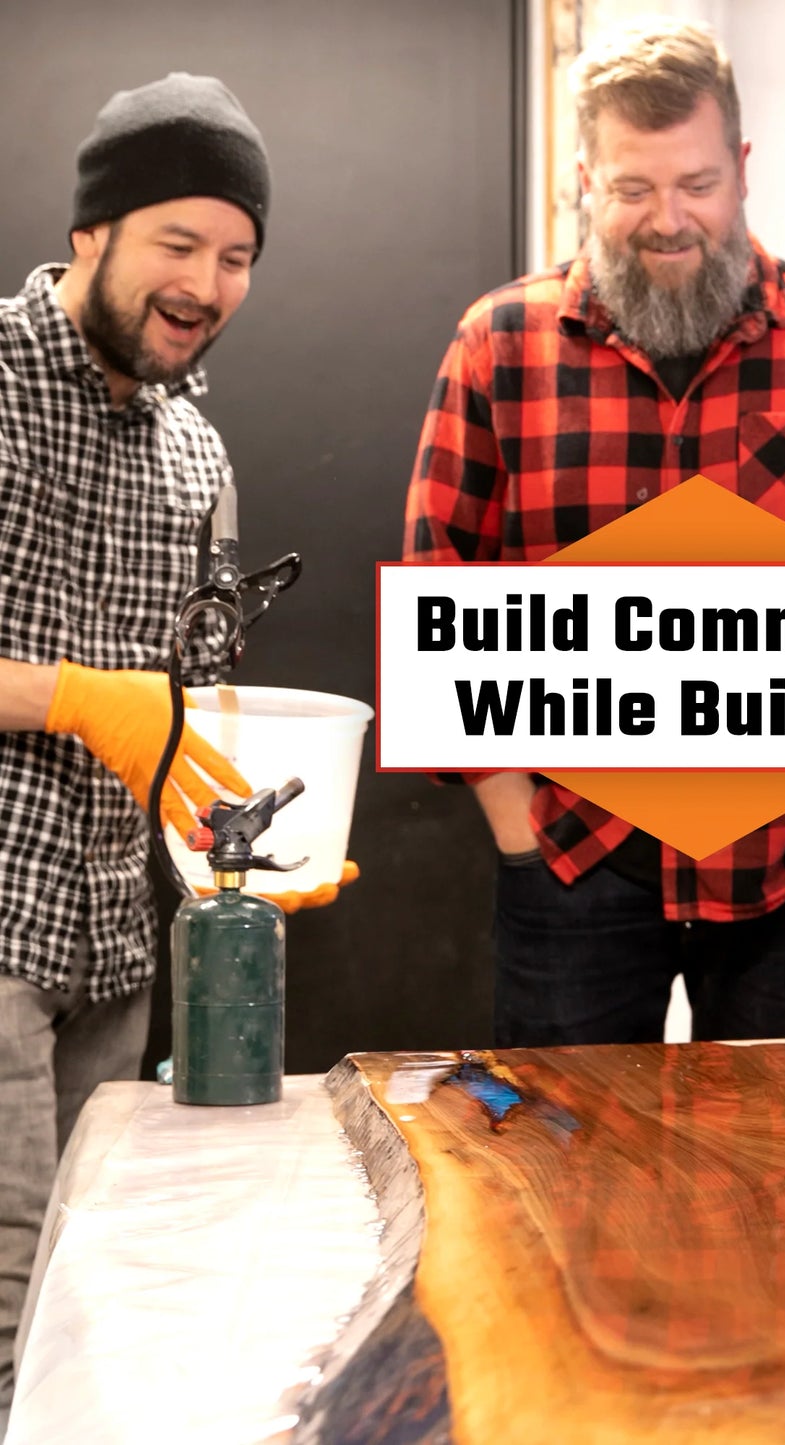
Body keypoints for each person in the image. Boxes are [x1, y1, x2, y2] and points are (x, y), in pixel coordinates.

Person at [405, 17, 785, 1049]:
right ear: (583, 179)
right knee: (564, 1194)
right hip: (569, 862)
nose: (668, 219)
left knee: (783, 1187)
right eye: (633, 188)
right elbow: (440, 594)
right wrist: (519, 832)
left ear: (740, 170)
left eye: (695, 184)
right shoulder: (498, 347)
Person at [0, 73, 338, 1424]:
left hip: (118, 953)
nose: (208, 279)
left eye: (237, 253)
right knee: (10, 1281)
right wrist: (73, 696)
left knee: (97, 1290)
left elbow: (195, 711)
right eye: (177, 243)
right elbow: (112, 704)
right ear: (92, 237)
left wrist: (263, 848)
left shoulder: (200, 458)